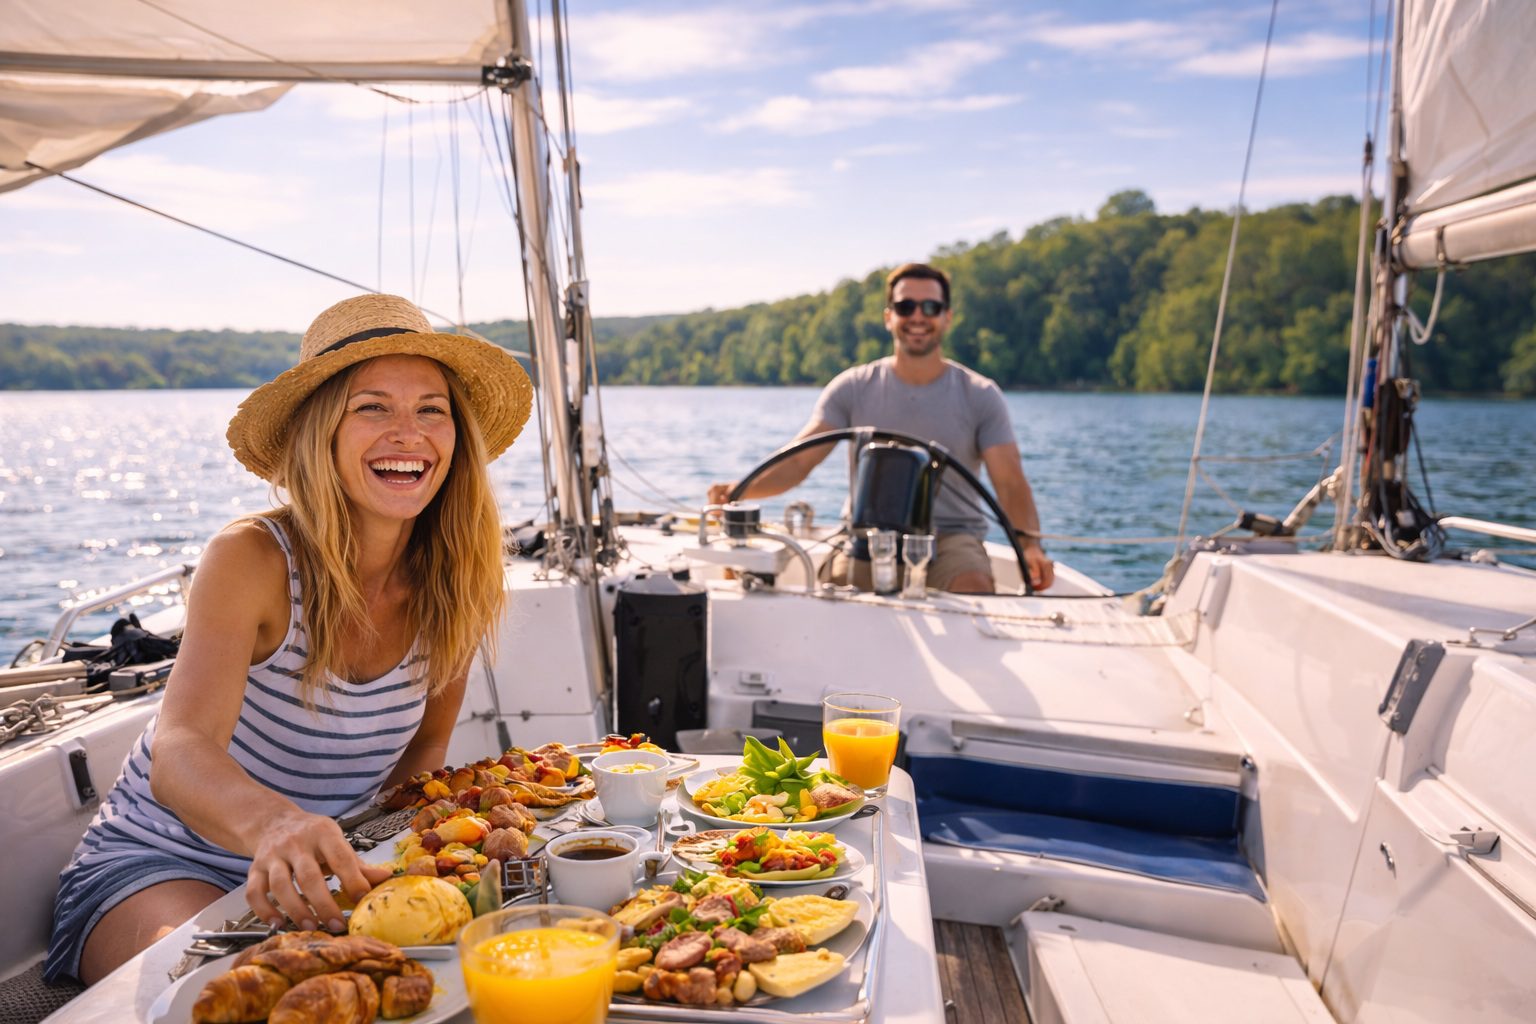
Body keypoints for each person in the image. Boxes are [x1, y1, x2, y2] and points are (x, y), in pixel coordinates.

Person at [45, 294, 532, 984]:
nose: (408, 432)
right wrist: (275, 826)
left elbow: (423, 752)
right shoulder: (253, 558)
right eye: (372, 407)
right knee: (234, 991)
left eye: (432, 409)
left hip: (322, 875)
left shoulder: (460, 579)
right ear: (322, 432)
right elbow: (180, 750)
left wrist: (399, 859)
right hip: (163, 862)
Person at [709, 263, 1053, 593]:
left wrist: (1030, 545)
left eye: (931, 307)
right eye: (905, 306)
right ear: (889, 317)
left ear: (947, 317)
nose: (917, 316)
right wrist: (740, 490)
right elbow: (799, 460)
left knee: (973, 587)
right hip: (864, 537)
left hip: (950, 539)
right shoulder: (852, 387)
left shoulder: (980, 395)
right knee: (834, 592)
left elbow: (1009, 480)